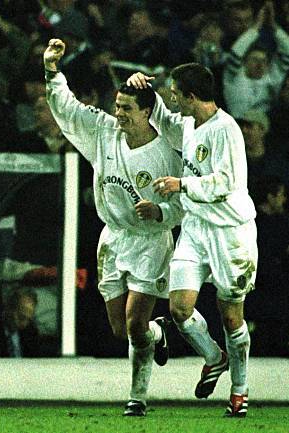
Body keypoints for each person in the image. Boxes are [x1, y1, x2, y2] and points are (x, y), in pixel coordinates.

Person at [43, 39, 183, 417]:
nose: (117, 113)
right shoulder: (104, 132)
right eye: (116, 106)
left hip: (151, 241)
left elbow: (186, 201)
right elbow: (68, 110)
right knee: (123, 331)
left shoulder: (169, 151)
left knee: (135, 322)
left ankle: (137, 398)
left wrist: (162, 213)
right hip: (113, 239)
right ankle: (158, 333)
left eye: (126, 108)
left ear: (146, 113)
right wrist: (52, 71)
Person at [127, 63, 258, 418]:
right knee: (179, 309)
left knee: (231, 316)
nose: (171, 97)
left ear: (191, 96)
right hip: (196, 229)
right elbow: (161, 116)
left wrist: (180, 184)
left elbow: (225, 183)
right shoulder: (187, 124)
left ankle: (240, 390)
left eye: (174, 92)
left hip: (231, 233)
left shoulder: (226, 130)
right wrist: (141, 88)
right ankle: (215, 358)